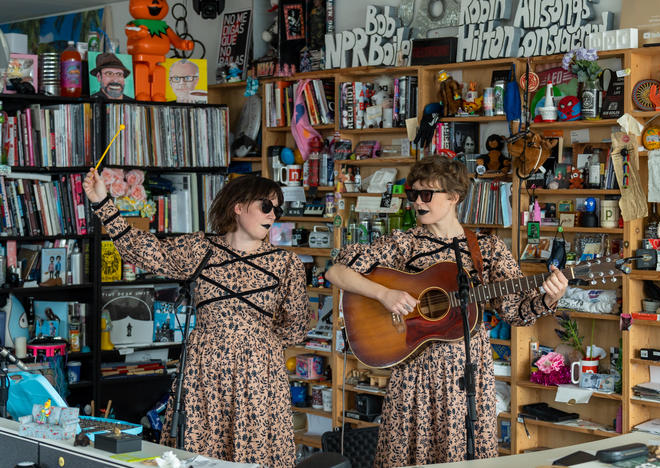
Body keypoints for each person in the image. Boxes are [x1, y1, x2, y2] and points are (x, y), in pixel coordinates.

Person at [325, 156, 568, 467]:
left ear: (454, 196)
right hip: (413, 371)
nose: (417, 202)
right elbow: (335, 272)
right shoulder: (403, 244)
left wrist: (550, 298)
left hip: (466, 375)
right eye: (413, 194)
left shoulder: (486, 250)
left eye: (428, 194)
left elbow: (516, 312)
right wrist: (384, 293)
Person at [83, 170, 311, 466]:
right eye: (266, 206)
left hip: (258, 374)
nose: (272, 215)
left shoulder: (286, 264)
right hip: (205, 371)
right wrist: (103, 202)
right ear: (238, 206)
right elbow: (143, 250)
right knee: (200, 453)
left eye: (277, 209)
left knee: (256, 454)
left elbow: (296, 327)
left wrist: (255, 343)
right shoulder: (200, 249)